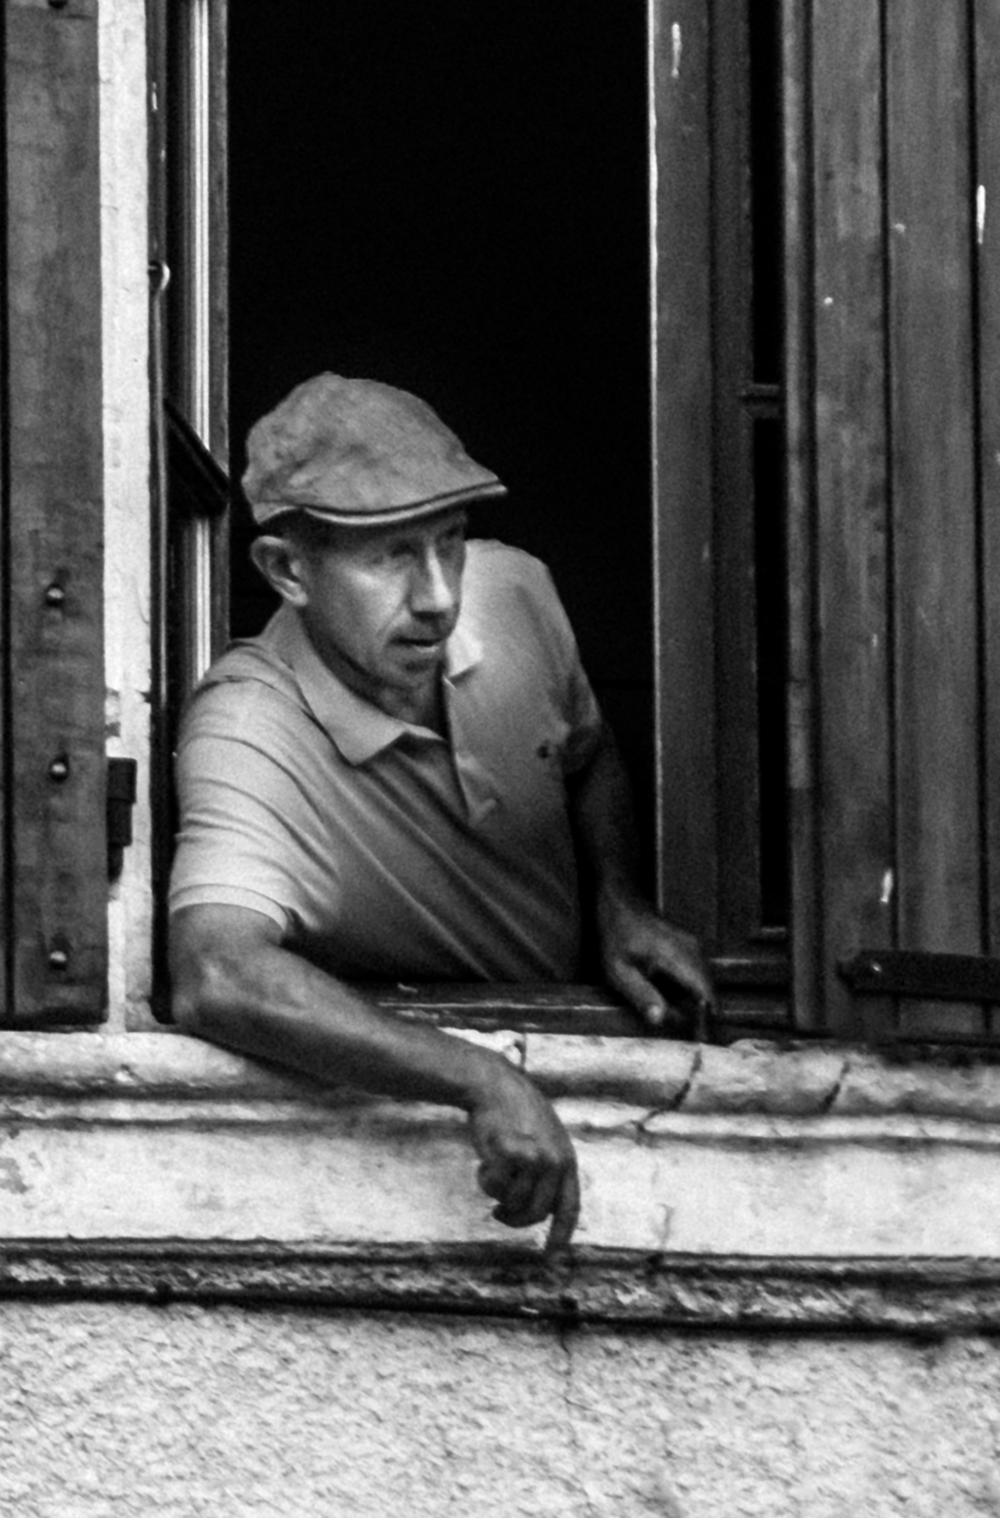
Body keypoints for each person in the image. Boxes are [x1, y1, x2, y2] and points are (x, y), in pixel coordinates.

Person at [158, 372, 716, 1245]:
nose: (438, 597)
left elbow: (588, 753)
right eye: (389, 555)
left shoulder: (516, 591)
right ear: (287, 570)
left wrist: (619, 901)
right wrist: (480, 1078)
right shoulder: (245, 725)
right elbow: (217, 974)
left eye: (448, 541)